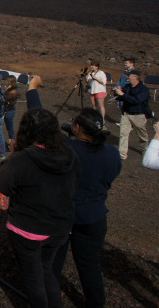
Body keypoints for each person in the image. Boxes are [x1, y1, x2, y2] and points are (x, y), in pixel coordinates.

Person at [0, 108, 81, 308]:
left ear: (26, 130)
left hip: (28, 229)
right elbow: (76, 181)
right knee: (47, 269)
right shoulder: (68, 153)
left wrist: (13, 155)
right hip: (59, 227)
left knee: (33, 278)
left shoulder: (22, 159)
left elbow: (1, 182)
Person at [53, 108, 122, 308]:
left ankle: (49, 299)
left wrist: (32, 91)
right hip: (94, 216)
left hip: (64, 215)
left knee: (53, 264)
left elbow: (44, 125)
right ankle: (96, 303)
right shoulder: (111, 153)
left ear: (79, 127)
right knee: (90, 266)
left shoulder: (67, 147)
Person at [114, 69, 150, 160]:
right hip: (126, 114)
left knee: (142, 134)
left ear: (135, 77)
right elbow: (121, 97)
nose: (127, 77)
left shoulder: (143, 89)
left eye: (129, 75)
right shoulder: (127, 87)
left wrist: (122, 94)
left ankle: (144, 148)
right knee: (123, 134)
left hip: (138, 115)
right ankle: (122, 155)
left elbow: (136, 101)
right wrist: (117, 91)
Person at [3, 75, 19, 144]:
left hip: (10, 110)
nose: (6, 82)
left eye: (7, 81)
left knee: (10, 128)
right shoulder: (10, 88)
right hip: (8, 109)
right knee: (9, 127)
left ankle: (12, 142)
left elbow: (8, 99)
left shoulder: (13, 91)